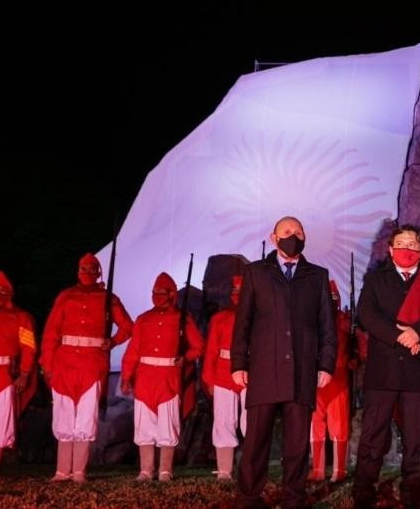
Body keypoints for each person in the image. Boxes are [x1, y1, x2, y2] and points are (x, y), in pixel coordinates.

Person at [231, 216, 338, 508]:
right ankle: (249, 497)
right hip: (264, 369)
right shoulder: (256, 272)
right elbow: (243, 323)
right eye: (288, 232)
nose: (294, 236)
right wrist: (239, 363)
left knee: (297, 443)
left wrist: (326, 365)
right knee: (256, 441)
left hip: (302, 370)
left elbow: (327, 326)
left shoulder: (317, 276)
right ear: (274, 237)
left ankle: (294, 497)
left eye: (299, 232)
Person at [353, 224, 420, 508]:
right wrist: (401, 335)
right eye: (400, 243)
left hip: (417, 370)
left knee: (415, 438)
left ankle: (413, 493)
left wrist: (419, 333)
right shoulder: (376, 279)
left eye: (412, 244)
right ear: (390, 249)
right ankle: (363, 493)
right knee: (373, 436)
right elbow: (365, 314)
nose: (406, 249)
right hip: (382, 371)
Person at [40, 252, 133, 482]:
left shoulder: (108, 298)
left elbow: (127, 326)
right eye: (84, 270)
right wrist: (47, 364)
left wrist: (112, 341)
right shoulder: (66, 296)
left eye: (92, 270)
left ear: (98, 273)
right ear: (77, 272)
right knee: (63, 414)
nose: (88, 274)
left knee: (85, 416)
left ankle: (79, 471)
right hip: (65, 364)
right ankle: (62, 470)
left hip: (92, 364)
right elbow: (51, 332)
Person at [120, 272, 205, 481]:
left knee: (168, 425)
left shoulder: (183, 319)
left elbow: (199, 347)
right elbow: (133, 351)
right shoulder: (143, 319)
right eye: (154, 292)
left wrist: (185, 357)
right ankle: (146, 470)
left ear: (172, 294)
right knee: (144, 425)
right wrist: (126, 377)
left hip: (168, 378)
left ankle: (165, 469)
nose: (157, 295)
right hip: (146, 378)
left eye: (162, 292)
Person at [308, 279, 352, 483]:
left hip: (338, 378)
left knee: (339, 425)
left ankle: (339, 470)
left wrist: (356, 358)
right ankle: (317, 469)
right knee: (316, 425)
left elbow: (357, 346)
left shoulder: (345, 321)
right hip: (316, 378)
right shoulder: (312, 321)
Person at [202, 275, 245, 481]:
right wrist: (209, 380)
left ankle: (252, 468)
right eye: (234, 291)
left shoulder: (260, 317)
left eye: (241, 291)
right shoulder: (219, 318)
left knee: (252, 421)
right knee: (223, 421)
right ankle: (225, 471)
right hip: (223, 373)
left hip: (250, 373)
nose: (236, 295)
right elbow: (211, 351)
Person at [0, 272, 37, 475]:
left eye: (2, 290)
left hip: (4, 376)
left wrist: (23, 373)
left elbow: (28, 348)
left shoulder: (20, 317)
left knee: (0, 425)